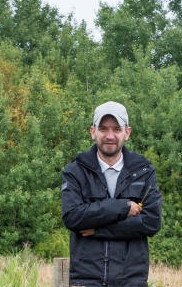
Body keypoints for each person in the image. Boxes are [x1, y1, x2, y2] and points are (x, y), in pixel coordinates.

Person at [61, 101, 163, 287]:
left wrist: (99, 230)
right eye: (103, 129)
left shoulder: (144, 171)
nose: (109, 136)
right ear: (93, 132)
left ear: (127, 132)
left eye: (116, 129)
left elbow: (151, 222)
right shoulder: (75, 171)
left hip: (131, 280)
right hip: (86, 280)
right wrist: (122, 207)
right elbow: (73, 217)